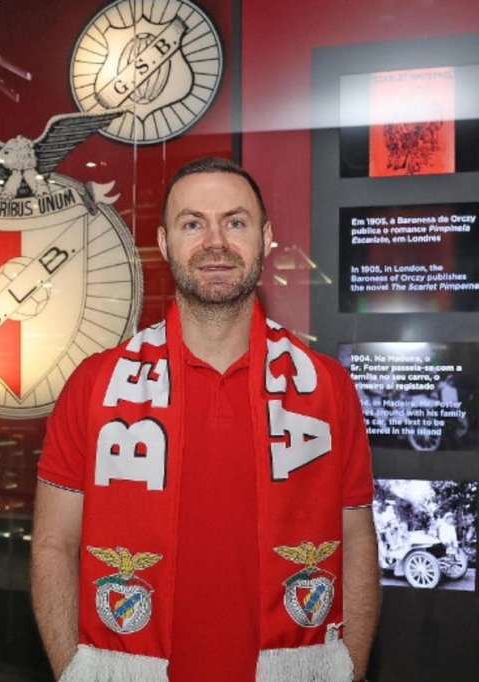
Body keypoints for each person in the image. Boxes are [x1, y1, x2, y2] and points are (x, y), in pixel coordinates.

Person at [31, 157, 380, 681]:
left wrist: (345, 671)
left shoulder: (326, 387)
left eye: (234, 222)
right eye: (193, 223)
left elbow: (356, 541)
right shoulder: (95, 385)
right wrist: (73, 673)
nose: (215, 242)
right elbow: (53, 544)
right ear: (165, 243)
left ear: (264, 239)